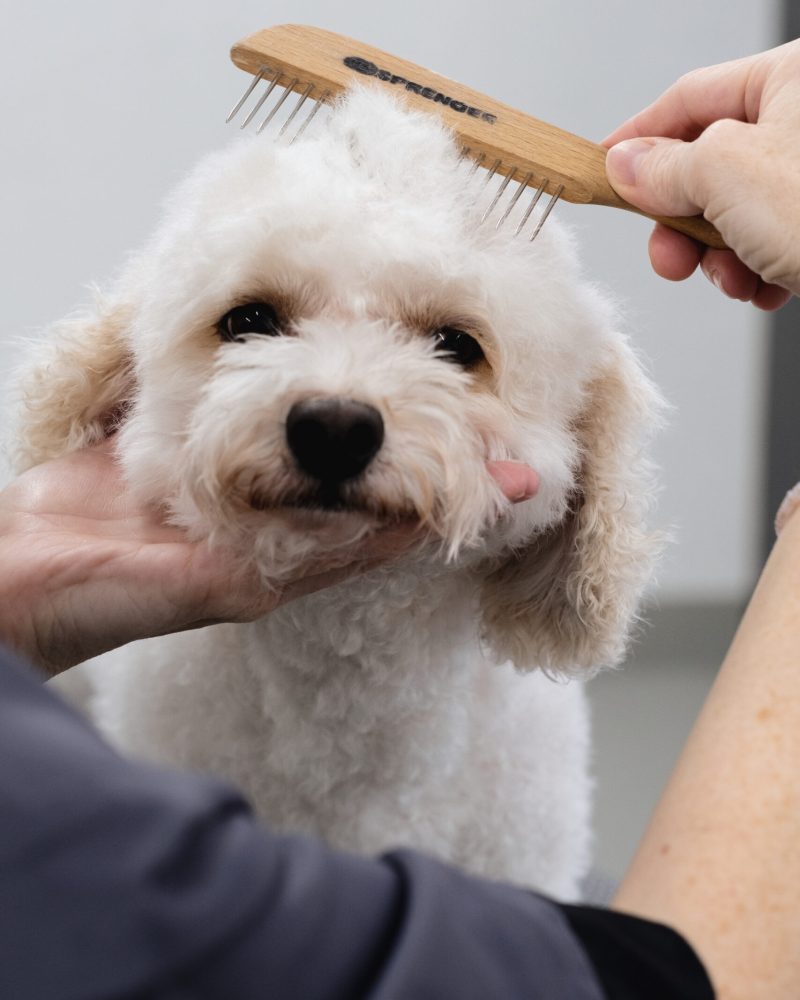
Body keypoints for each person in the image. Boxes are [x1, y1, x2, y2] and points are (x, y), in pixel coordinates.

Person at [1, 37, 799, 1000]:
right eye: (254, 321)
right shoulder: (122, 748)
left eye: (456, 346)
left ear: (583, 448)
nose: (337, 401)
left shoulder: (525, 764)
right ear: (116, 388)